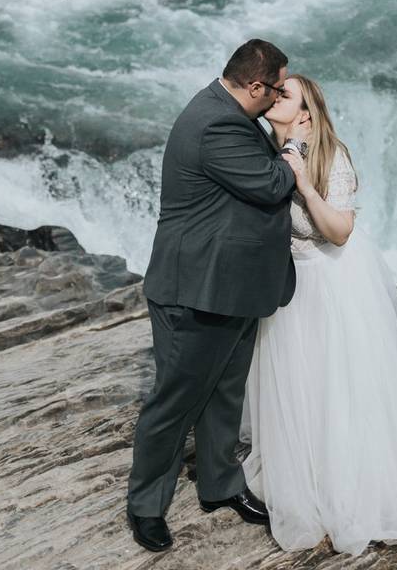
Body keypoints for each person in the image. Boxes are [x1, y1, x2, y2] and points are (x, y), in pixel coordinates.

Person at [239, 74, 397, 556]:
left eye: (286, 94)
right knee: (301, 388)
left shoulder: (329, 155)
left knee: (341, 385)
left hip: (332, 282)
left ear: (307, 115)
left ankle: (356, 485)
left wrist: (303, 186)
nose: (275, 97)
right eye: (274, 91)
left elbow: (339, 232)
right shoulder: (262, 148)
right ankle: (309, 474)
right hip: (287, 286)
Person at [126, 39, 310, 552]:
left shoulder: (229, 112)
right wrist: (293, 145)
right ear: (255, 85)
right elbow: (271, 184)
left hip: (230, 285)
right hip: (195, 290)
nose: (277, 100)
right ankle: (145, 504)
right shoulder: (216, 124)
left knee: (226, 393)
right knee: (175, 401)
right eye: (275, 89)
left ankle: (220, 484)